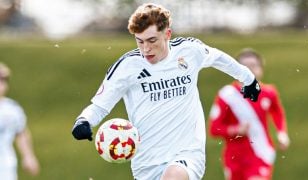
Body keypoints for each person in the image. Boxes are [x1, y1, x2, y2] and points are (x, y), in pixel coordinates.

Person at [72, 3, 261, 180]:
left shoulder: (189, 51)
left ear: (167, 34)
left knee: (174, 175)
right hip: (146, 163)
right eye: (140, 42)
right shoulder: (127, 67)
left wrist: (248, 78)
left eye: (152, 40)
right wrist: (84, 120)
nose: (146, 49)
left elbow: (218, 58)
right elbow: (99, 106)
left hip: (187, 154)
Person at [208, 48, 290, 180]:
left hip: (260, 153)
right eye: (245, 66)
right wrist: (235, 130)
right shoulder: (227, 95)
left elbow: (277, 113)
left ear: (261, 69)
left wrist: (282, 133)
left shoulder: (269, 93)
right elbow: (214, 129)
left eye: (253, 66)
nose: (250, 70)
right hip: (234, 157)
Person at [0, 62, 40, 180]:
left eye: (3, 80)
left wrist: (28, 156)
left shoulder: (12, 109)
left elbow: (21, 132)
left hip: (5, 164)